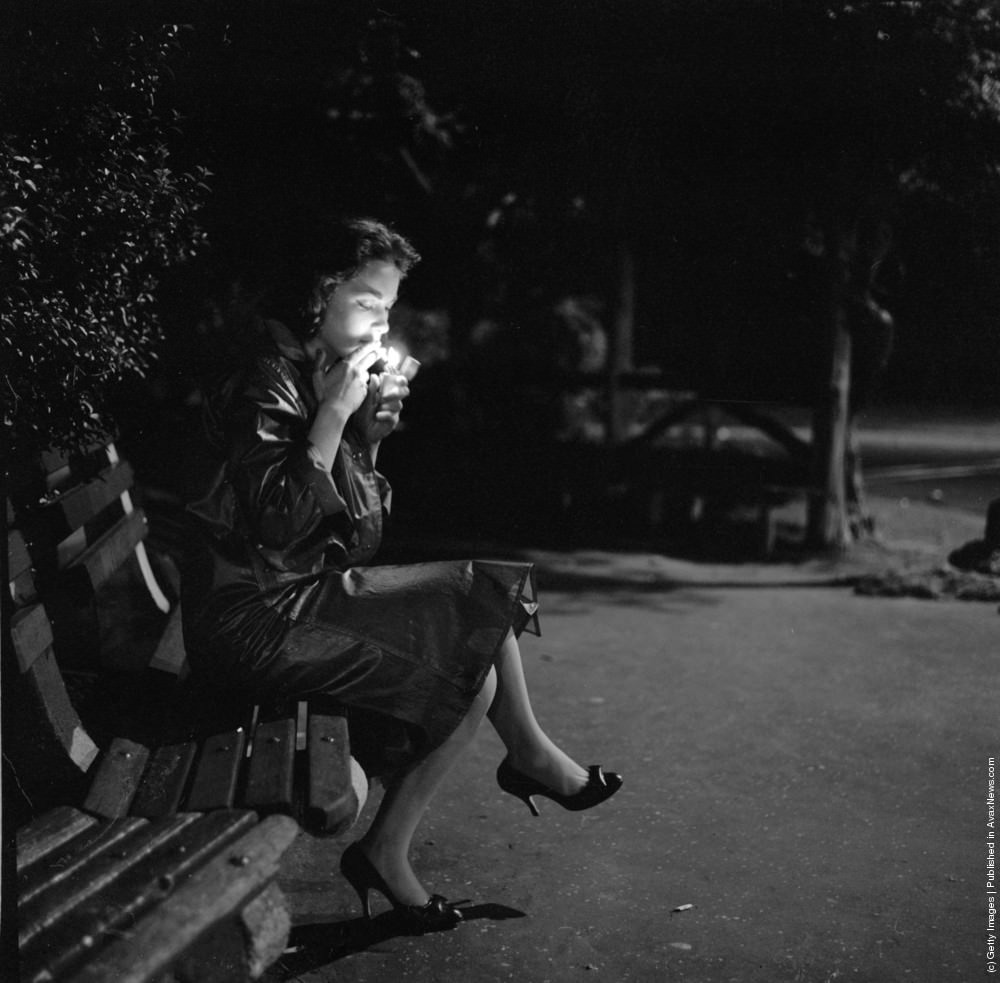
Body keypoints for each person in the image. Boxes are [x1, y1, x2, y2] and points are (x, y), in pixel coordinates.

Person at [181, 218, 622, 933]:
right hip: (250, 621)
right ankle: (527, 756)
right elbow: (277, 523)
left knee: (478, 643)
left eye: (389, 310)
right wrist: (331, 416)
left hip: (292, 601)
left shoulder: (311, 371)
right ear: (318, 296)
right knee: (477, 597)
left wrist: (367, 436)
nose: (383, 325)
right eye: (369, 304)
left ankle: (393, 846)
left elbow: (358, 535)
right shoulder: (265, 378)